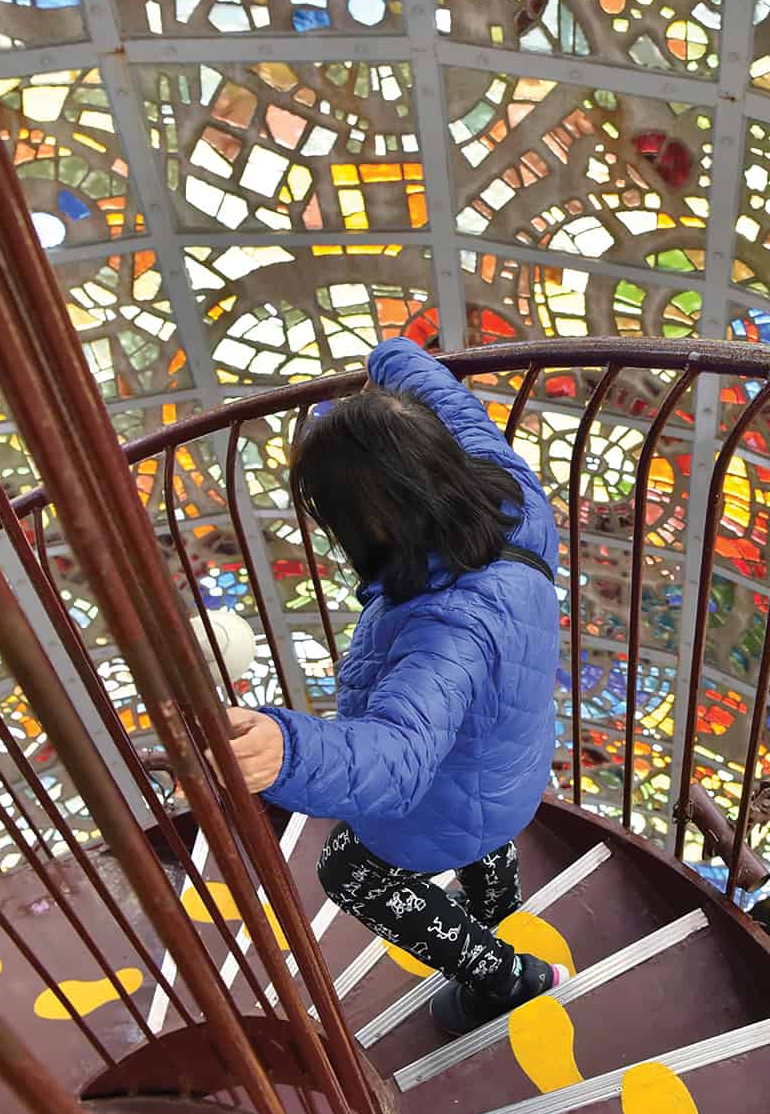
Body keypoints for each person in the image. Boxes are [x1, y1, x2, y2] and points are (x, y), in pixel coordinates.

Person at [219, 335, 566, 1038]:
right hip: (512, 764)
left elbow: (398, 755)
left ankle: (503, 976)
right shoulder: (507, 489)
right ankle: (500, 907)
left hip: (460, 789)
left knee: (348, 869)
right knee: (475, 812)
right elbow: (448, 399)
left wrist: (286, 750)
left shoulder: (449, 625)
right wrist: (392, 355)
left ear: (374, 522)